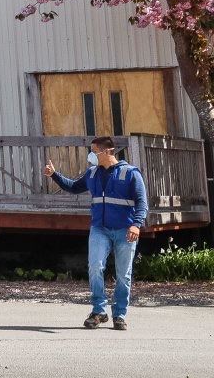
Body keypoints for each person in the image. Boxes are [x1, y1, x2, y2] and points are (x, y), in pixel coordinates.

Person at [42, 137, 148, 330]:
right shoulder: (92, 174)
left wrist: (136, 224)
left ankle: (119, 315)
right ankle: (99, 311)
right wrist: (54, 175)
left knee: (123, 274)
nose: (90, 155)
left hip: (125, 229)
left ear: (108, 152)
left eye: (94, 151)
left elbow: (142, 203)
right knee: (95, 266)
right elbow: (74, 187)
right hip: (100, 228)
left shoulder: (131, 173)